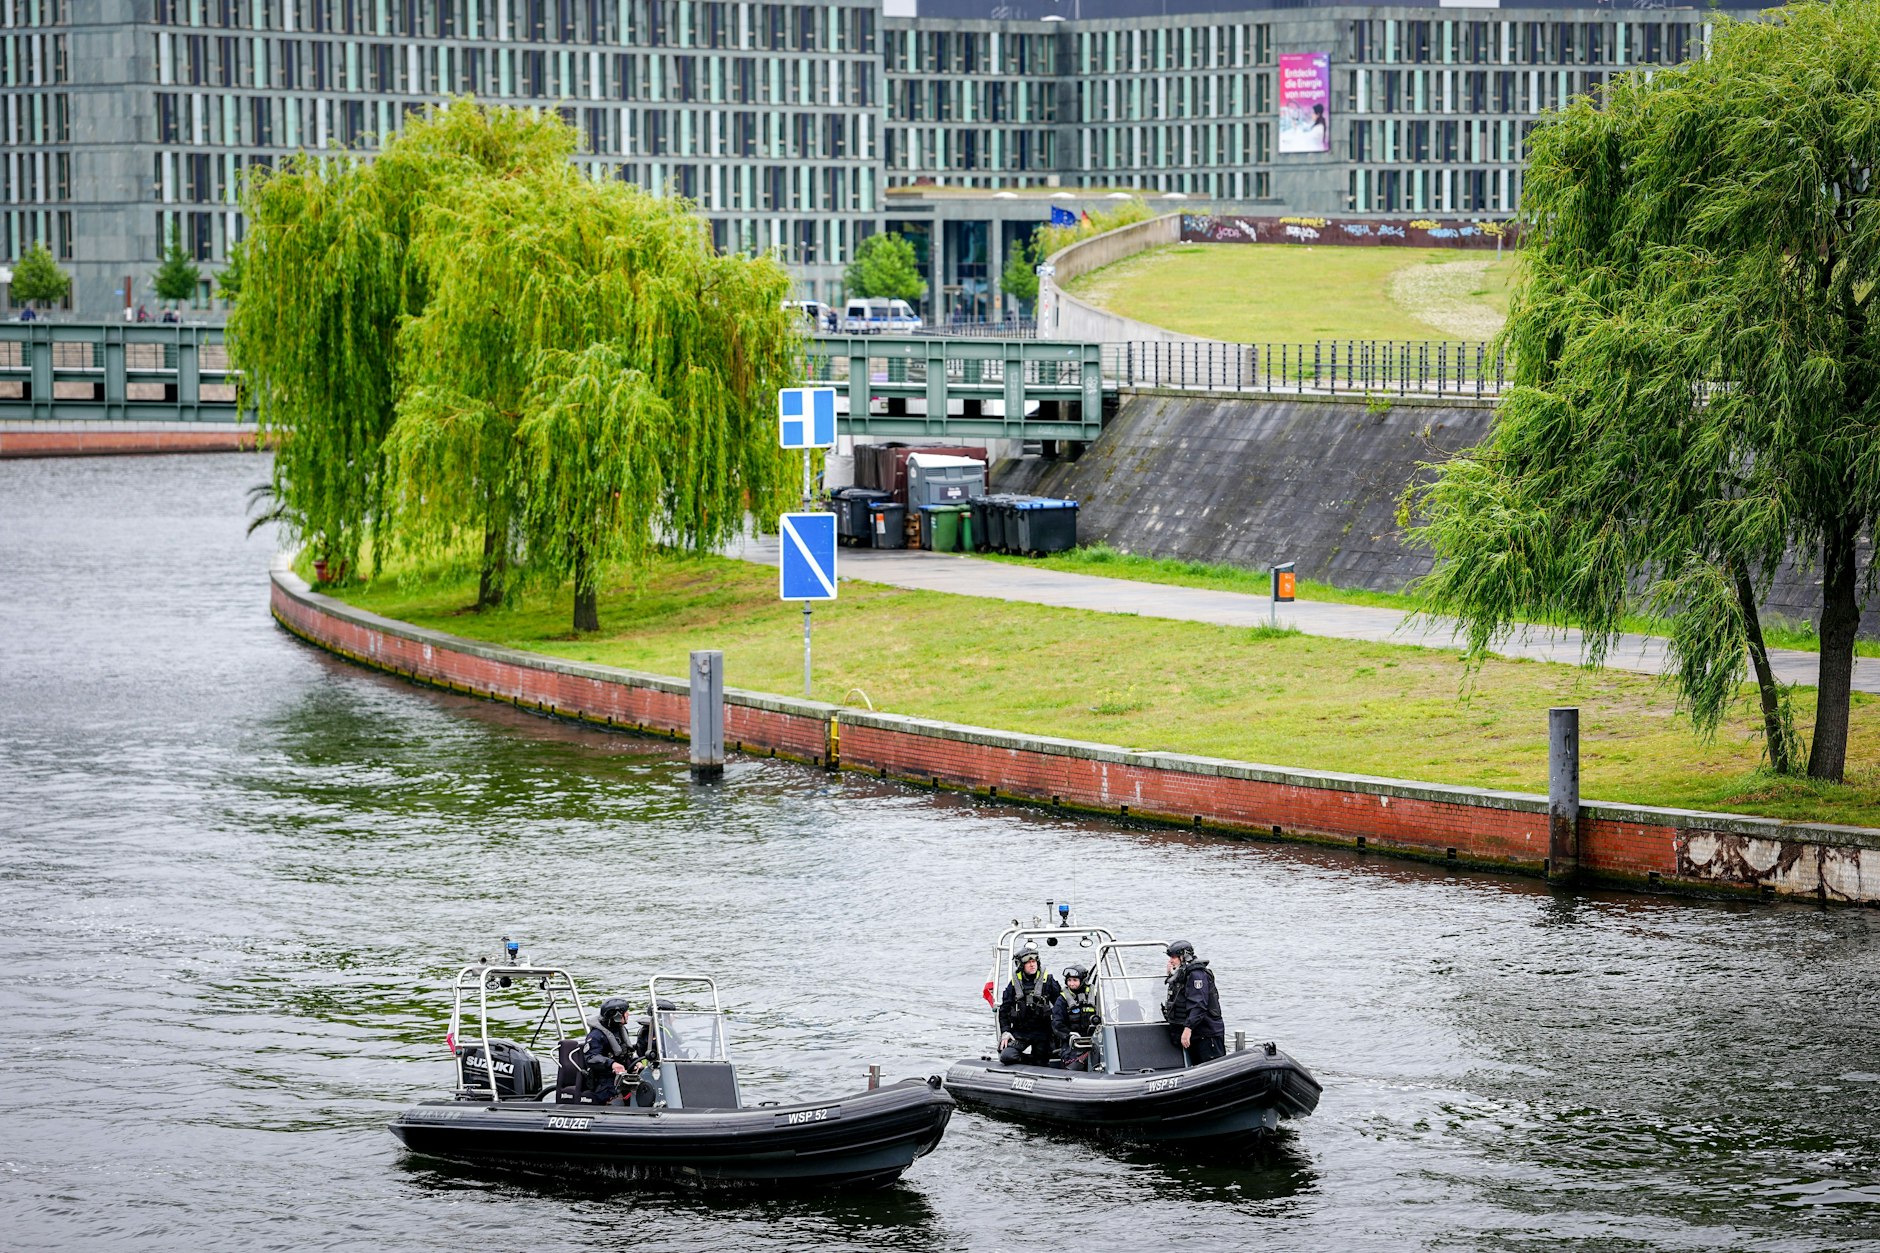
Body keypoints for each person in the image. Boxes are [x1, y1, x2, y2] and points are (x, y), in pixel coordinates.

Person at [1161, 939, 1225, 1065]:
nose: (1170, 961)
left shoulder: (1197, 975)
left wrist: (1188, 1028)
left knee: (1210, 1068)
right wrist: (1170, 975)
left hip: (1206, 1034)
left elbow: (1198, 1005)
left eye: (1173, 957)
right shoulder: (1182, 974)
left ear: (1184, 956)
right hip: (1195, 1035)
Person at [998, 944, 1061, 1066]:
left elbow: (1060, 1005)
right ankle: (1030, 1062)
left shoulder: (1048, 981)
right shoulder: (1014, 985)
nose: (1032, 965)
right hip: (1021, 1033)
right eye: (1028, 963)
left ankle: (1036, 1061)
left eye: (1034, 961)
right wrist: (1006, 1031)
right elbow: (1004, 1010)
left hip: (1044, 1032)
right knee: (1007, 1056)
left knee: (1046, 1058)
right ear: (1021, 965)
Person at [580, 996, 640, 1104]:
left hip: (623, 1079)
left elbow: (626, 1053)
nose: (628, 1014)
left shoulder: (620, 1030)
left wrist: (636, 1063)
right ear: (617, 1016)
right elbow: (591, 1057)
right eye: (626, 1012)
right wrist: (611, 1064)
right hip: (604, 1084)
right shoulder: (596, 1035)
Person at [1051, 964, 1101, 1071]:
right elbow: (1057, 1023)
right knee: (1072, 1066)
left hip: (1094, 1041)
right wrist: (1068, 1035)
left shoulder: (1095, 996)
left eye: (1075, 980)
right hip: (1073, 1043)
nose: (1071, 983)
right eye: (1069, 980)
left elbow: (1105, 1016)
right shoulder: (1062, 1000)